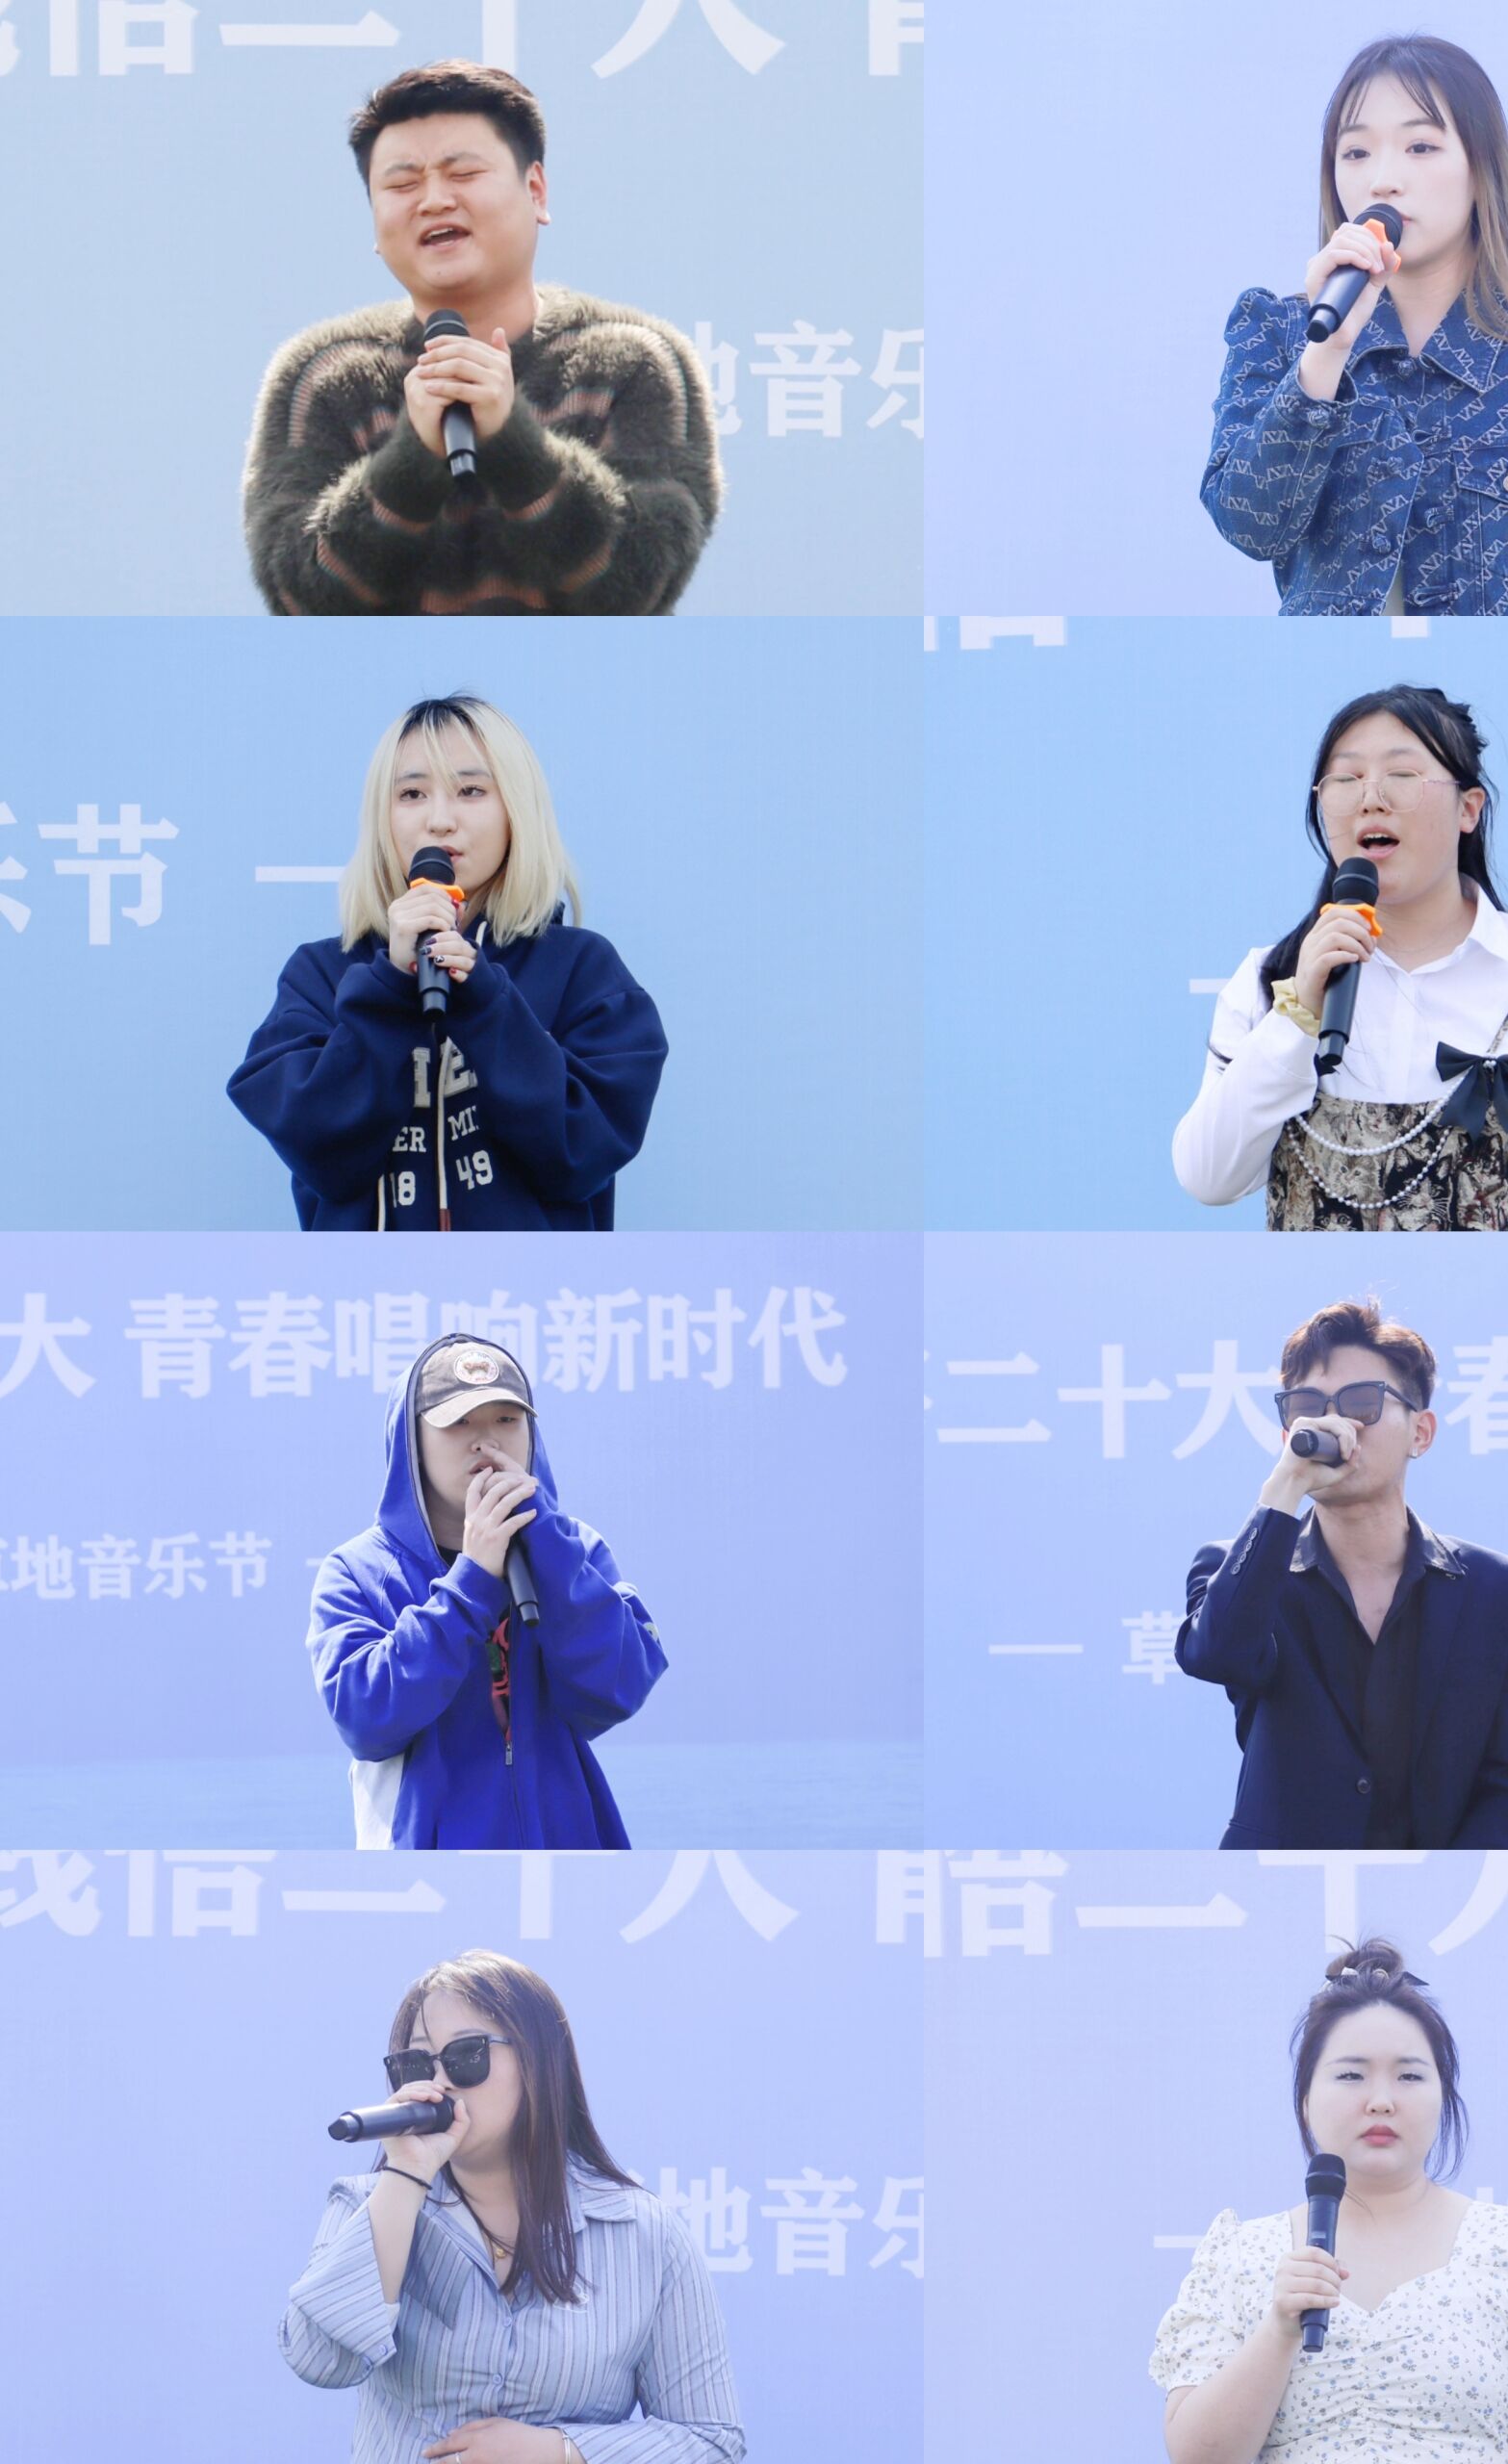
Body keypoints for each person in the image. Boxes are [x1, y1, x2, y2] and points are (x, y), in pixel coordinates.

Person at [243, 61, 721, 616]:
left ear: (535, 190)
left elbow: (638, 587)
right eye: (401, 184)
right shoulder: (325, 375)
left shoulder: (634, 360)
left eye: (464, 173)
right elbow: (300, 598)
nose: (433, 201)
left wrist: (515, 444)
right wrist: (412, 459)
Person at [1171, 685, 1508, 1230]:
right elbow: (1208, 1177)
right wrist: (1298, 1014)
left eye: (1401, 776)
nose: (1370, 800)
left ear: (1468, 808)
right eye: (1346, 779)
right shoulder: (1272, 978)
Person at [1200, 36, 1508, 615]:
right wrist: (1325, 356)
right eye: (1356, 153)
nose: (1382, 180)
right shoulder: (1279, 331)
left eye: (1420, 146)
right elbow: (1250, 527)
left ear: (1481, 167)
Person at [1150, 1940, 1508, 2462]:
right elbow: (1197, 2457)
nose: (1381, 2100)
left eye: (1409, 2076)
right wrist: (1278, 2329)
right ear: (1306, 2101)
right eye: (1351, 2075)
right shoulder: (1241, 2257)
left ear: (1443, 2096)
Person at [283, 1950, 745, 2462]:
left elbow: (711, 2440)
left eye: (466, 2056)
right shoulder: (366, 2205)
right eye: (415, 2064)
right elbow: (319, 2360)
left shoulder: (641, 2233)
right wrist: (407, 2173)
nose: (439, 2084)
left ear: (537, 2062)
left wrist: (559, 2451)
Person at [228, 693, 667, 1230]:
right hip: (368, 1286)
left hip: (527, 1284)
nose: (439, 821)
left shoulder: (583, 970)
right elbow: (320, 1150)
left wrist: (486, 1002)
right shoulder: (321, 976)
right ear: (382, 817)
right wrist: (389, 990)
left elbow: (582, 1153)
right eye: (412, 793)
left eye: (471, 790)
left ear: (516, 810)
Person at [1175, 1299, 1508, 1849]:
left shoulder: (1498, 1589)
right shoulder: (1239, 1569)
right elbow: (1218, 1655)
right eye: (1308, 1407)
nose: (1336, 1425)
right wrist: (1283, 1491)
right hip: (1277, 1890)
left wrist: (1446, 1888)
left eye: (1362, 1403)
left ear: (1421, 1433)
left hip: (1447, 1895)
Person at [310, 1336, 665, 1849]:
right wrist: (471, 1583)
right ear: (411, 1441)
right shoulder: (358, 1571)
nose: (485, 1441)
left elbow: (618, 1689)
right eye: (458, 1422)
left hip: (568, 1867)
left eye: (506, 1419)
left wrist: (547, 1547)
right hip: (427, 1878)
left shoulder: (575, 1550)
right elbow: (366, 1720)